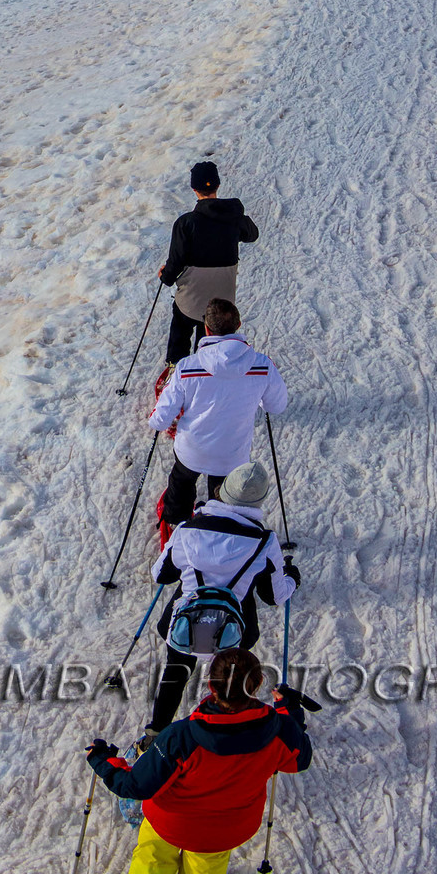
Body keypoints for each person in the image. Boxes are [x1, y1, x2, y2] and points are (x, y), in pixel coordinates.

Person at [87, 646, 312, 874]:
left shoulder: (181, 736)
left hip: (170, 821)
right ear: (258, 683)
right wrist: (289, 711)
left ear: (211, 686)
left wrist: (103, 760)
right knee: (207, 871)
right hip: (225, 830)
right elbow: (300, 758)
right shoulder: (280, 731)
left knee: (154, 850)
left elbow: (135, 785)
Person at [146, 461, 298, 733]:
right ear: (259, 501)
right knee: (231, 678)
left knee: (176, 670)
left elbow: (161, 575)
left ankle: (156, 732)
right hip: (235, 631)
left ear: (222, 490)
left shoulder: (187, 529)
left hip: (183, 622)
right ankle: (227, 732)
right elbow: (275, 596)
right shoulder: (265, 542)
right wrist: (292, 578)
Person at [150, 301, 287, 530]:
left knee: (181, 481)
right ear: (238, 325)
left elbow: (161, 419)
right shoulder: (262, 365)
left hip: (191, 451)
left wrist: (155, 420)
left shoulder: (187, 366)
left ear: (206, 328)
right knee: (224, 492)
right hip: (232, 456)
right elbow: (277, 406)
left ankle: (175, 518)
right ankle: (218, 523)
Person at [159, 160, 259, 366]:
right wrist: (237, 216)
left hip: (192, 301)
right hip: (222, 301)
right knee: (211, 333)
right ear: (218, 185)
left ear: (193, 189)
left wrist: (165, 276)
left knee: (181, 323)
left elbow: (176, 261)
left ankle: (175, 368)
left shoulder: (186, 223)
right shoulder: (233, 218)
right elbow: (252, 234)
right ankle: (207, 368)